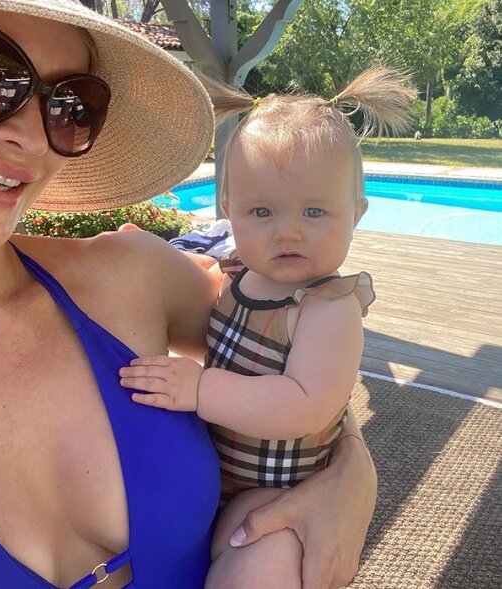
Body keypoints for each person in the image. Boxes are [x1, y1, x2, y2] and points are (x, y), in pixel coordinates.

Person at [0, 1, 377, 588]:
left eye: (69, 104)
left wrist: (349, 469)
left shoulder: (127, 275)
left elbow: (289, 350)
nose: (33, 136)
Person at [121, 67, 415, 588]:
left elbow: (307, 404)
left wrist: (201, 389)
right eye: (262, 211)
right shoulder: (237, 274)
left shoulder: (327, 308)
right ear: (228, 211)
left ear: (356, 213)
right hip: (217, 470)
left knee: (256, 560)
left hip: (277, 487)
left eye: (315, 211)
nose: (288, 232)